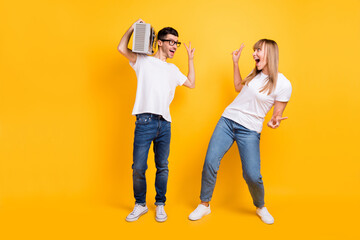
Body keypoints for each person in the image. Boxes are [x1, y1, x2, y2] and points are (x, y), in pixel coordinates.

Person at [188, 39, 292, 224]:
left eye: (258, 50)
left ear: (270, 53)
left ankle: (261, 206)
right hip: (227, 121)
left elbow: (278, 113)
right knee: (210, 162)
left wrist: (275, 120)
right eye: (254, 50)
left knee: (252, 174)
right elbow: (238, 87)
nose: (254, 54)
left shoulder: (283, 84)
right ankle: (204, 205)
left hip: (250, 130)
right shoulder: (255, 75)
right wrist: (235, 63)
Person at [118, 19, 195, 222]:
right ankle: (140, 204)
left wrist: (190, 59)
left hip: (165, 123)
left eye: (176, 43)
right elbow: (120, 47)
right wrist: (133, 27)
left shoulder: (173, 70)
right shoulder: (143, 61)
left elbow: (192, 83)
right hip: (144, 122)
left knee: (163, 166)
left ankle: (160, 204)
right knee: (139, 167)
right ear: (159, 42)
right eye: (171, 42)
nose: (174, 47)